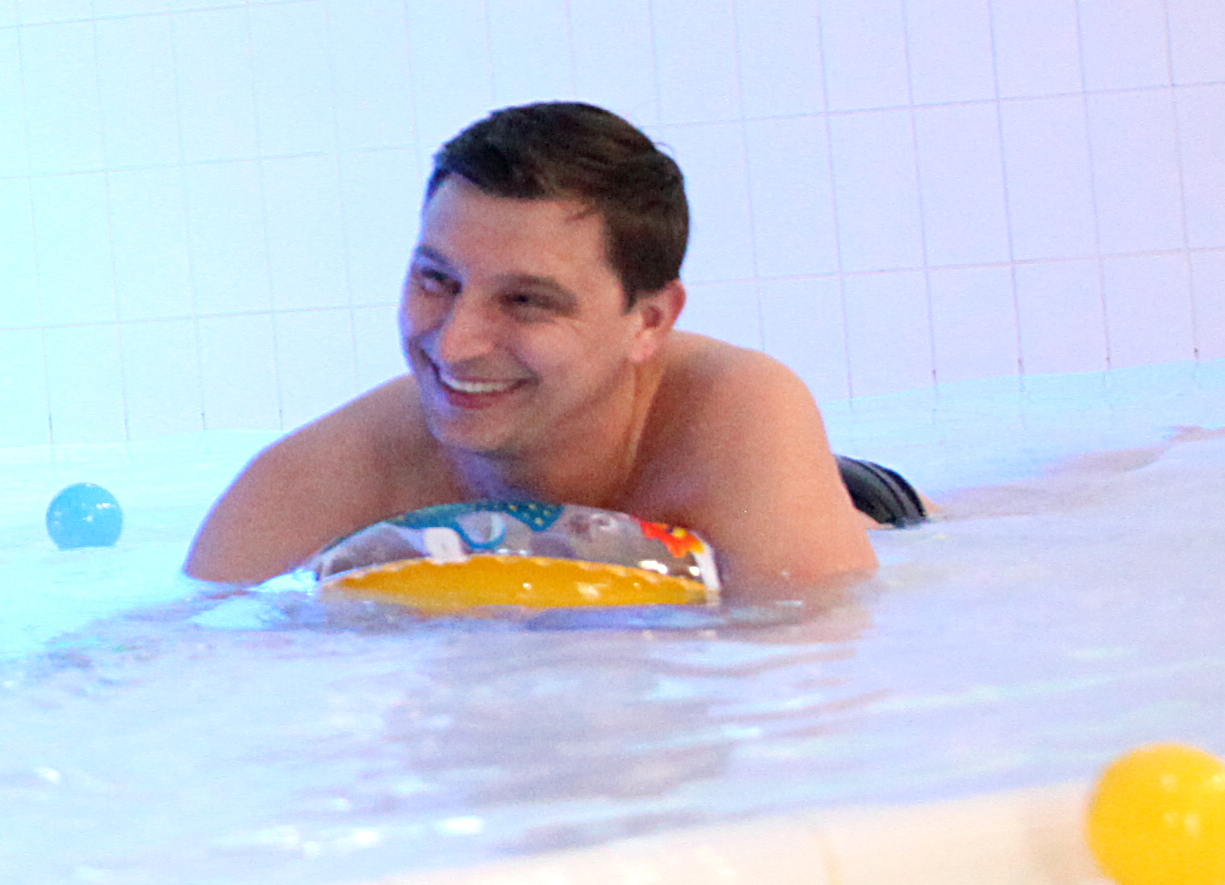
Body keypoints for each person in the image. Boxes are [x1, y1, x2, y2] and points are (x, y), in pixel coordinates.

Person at [183, 102, 902, 601]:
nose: (455, 345)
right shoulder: (322, 481)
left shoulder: (739, 416)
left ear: (649, 321)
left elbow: (816, 693)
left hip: (852, 497)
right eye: (437, 281)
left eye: (525, 301)